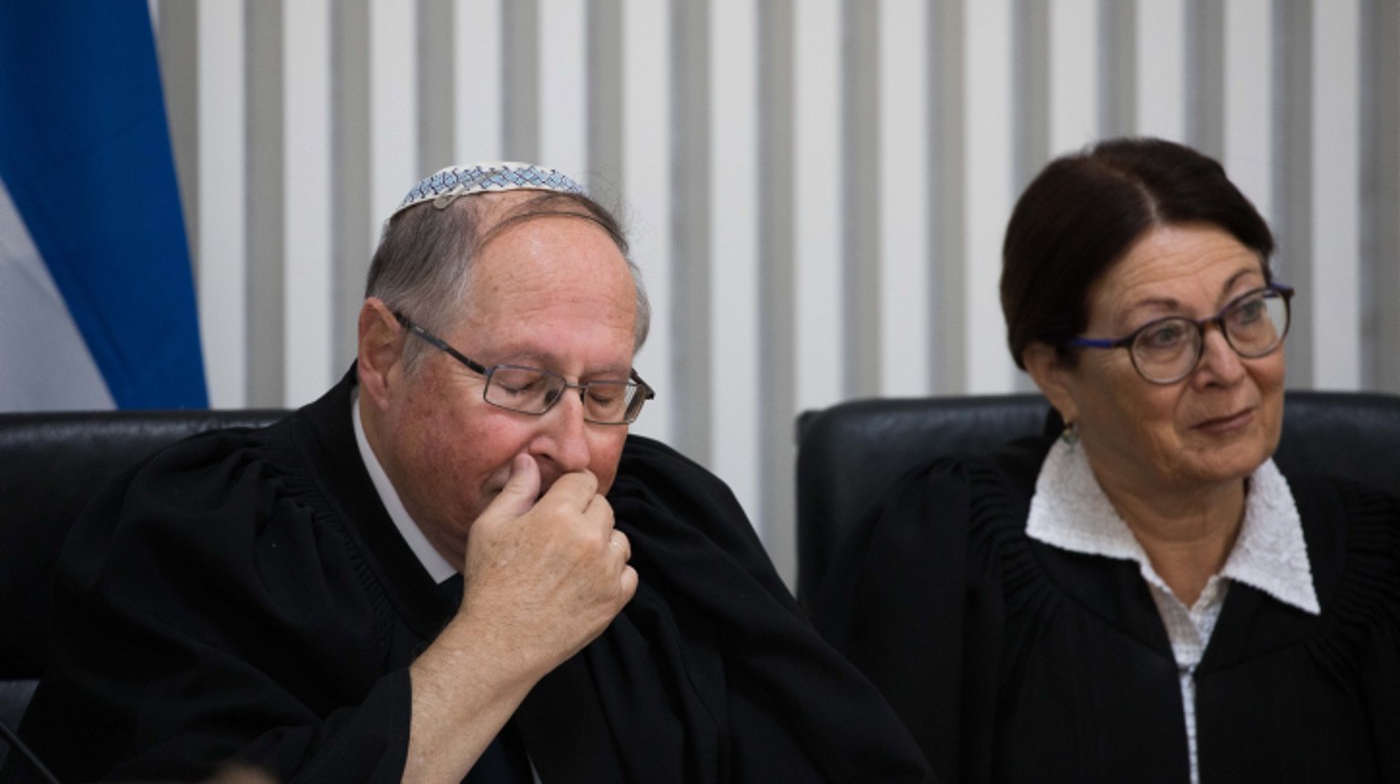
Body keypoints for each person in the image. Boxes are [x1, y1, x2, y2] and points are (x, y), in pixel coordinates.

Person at [8, 164, 932, 783]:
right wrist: (499, 640)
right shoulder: (200, 531)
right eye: (521, 384)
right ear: (383, 352)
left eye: (604, 393)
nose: (573, 448)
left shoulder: (670, 515)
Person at [814, 138, 1400, 783]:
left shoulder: (1381, 560)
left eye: (1247, 311)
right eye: (1164, 336)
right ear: (1055, 373)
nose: (1228, 369)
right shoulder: (943, 553)